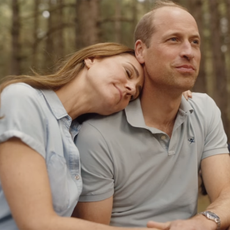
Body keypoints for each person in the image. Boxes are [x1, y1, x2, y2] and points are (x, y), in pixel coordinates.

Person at [73, 1, 230, 230]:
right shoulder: (97, 134)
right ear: (140, 50)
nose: (188, 52)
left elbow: (226, 196)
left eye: (194, 42)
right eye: (173, 39)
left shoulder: (204, 110)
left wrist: (203, 222)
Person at [0, 42, 161, 230]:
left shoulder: (80, 138)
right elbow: (36, 223)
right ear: (92, 59)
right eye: (128, 72)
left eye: (134, 95)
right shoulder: (24, 99)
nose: (131, 89)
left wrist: (177, 96)